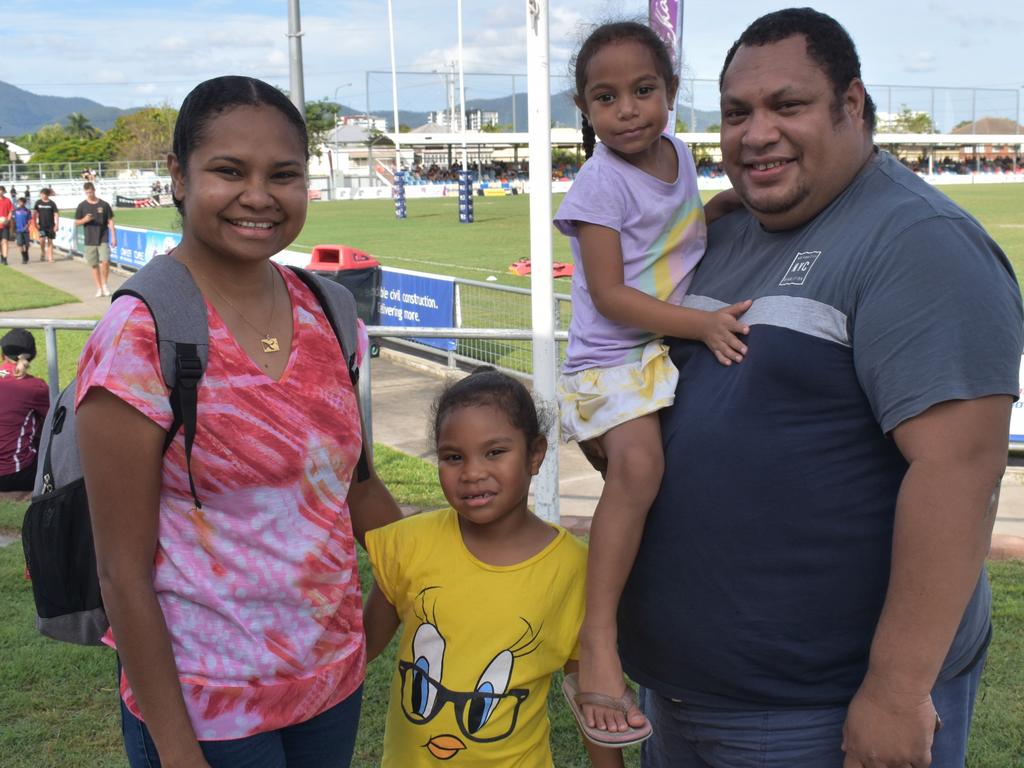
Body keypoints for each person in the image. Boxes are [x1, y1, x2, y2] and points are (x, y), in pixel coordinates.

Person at [613, 9, 1023, 768]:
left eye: (787, 105)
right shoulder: (725, 233)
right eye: (737, 113)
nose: (756, 132)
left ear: (852, 106)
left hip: (815, 713)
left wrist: (897, 694)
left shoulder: (918, 243)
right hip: (682, 693)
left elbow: (961, 469)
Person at [76, 75, 402, 768]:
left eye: (284, 175)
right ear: (178, 176)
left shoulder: (331, 312)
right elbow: (120, 573)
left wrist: (448, 570)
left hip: (330, 689)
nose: (260, 196)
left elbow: (357, 487)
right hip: (209, 711)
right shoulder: (140, 336)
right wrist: (176, 749)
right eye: (229, 171)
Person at [552, 21, 749, 744]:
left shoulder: (678, 156)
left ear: (669, 92)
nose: (628, 110)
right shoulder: (600, 183)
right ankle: (598, 641)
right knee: (638, 472)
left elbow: (671, 236)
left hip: (653, 356)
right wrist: (701, 325)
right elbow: (609, 294)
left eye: (643, 91)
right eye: (607, 98)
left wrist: (717, 210)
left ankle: (646, 623)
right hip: (609, 362)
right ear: (585, 108)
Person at [363, 368, 622, 767]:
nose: (472, 473)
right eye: (453, 457)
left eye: (494, 452)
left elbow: (591, 696)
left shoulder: (573, 569)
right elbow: (357, 651)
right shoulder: (408, 544)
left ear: (535, 454)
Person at [0, 329, 50, 492]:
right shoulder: (35, 387)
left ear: (2, 354)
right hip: (13, 474)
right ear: (32, 356)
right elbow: (54, 418)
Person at [74, 181, 117, 296]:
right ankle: (98, 287)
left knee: (105, 261)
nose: (89, 194)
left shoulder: (104, 204)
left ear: (94, 190)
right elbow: (76, 222)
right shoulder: (82, 205)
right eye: (87, 193)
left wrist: (114, 237)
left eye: (90, 192)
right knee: (94, 265)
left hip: (103, 237)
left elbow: (111, 221)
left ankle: (105, 284)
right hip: (90, 239)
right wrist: (85, 220)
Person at [32, 187, 59, 263]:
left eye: (44, 194)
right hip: (41, 226)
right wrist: (35, 223)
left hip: (50, 226)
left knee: (50, 241)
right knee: (42, 240)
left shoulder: (52, 203)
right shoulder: (38, 202)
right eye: (41, 194)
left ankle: (50, 257)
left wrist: (56, 224)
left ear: (47, 195)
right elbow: (34, 213)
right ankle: (43, 252)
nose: (42, 195)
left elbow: (56, 214)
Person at [13, 197, 32, 264]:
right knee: (20, 244)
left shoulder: (27, 211)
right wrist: (13, 229)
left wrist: (26, 226)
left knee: (27, 244)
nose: (20, 203)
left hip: (26, 230)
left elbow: (30, 220)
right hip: (18, 230)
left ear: (24, 203)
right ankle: (23, 257)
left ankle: (26, 252)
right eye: (19, 202)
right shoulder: (15, 211)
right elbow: (13, 220)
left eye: (22, 202)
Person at [0, 185, 12, 266]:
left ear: (4, 191)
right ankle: (1, 256)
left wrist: (8, 220)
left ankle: (5, 258)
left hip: (5, 225)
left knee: (5, 241)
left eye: (1, 190)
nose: (0, 192)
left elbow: (11, 211)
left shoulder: (7, 200)